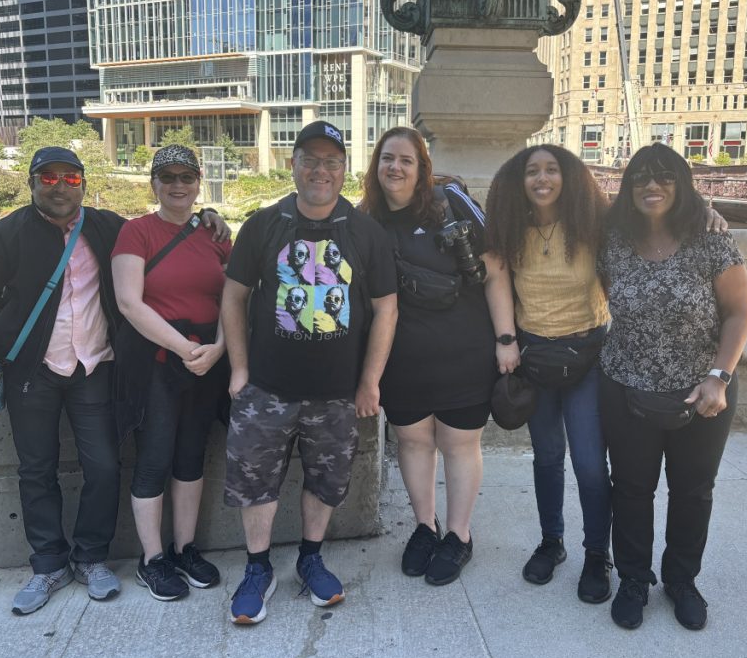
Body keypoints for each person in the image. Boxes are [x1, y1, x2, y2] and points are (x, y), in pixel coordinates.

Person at [0, 145, 229, 615]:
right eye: (49, 178)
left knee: (104, 467)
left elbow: (169, 221)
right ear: (32, 183)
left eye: (72, 179)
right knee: (36, 470)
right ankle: (47, 565)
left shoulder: (106, 227)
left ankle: (91, 558)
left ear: (84, 183)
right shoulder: (4, 235)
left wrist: (208, 215)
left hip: (95, 368)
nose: (60, 187)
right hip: (32, 373)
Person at [221, 120, 398, 624]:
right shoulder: (263, 224)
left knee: (327, 480)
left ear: (344, 170)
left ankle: (310, 558)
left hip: (337, 393)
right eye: (310, 160)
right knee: (255, 482)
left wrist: (369, 382)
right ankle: (258, 568)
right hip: (266, 389)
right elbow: (233, 296)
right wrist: (239, 369)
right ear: (292, 163)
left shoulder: (365, 232)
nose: (320, 170)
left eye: (331, 162)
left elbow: (386, 309)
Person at [597, 143, 747, 631]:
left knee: (692, 491)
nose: (651, 186)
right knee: (632, 490)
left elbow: (739, 311)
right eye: (641, 177)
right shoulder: (611, 240)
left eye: (665, 177)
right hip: (625, 385)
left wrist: (719, 377)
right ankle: (634, 580)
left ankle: (682, 581)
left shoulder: (711, 240)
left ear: (683, 185)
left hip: (703, 391)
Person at [358, 126, 519, 585]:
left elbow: (496, 270)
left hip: (463, 350)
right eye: (388, 158)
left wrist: (506, 338)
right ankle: (424, 527)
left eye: (407, 160)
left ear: (421, 167)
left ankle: (459, 534)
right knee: (411, 442)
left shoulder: (450, 204)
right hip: (402, 358)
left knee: (458, 444)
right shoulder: (366, 218)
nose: (396, 167)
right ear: (376, 166)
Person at [484, 144, 615, 604]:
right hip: (535, 357)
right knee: (546, 457)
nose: (542, 178)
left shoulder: (594, 224)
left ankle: (598, 553)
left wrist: (705, 214)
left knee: (588, 464)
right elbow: (496, 279)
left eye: (552, 169)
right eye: (532, 171)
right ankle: (552, 542)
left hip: (587, 355)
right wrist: (506, 340)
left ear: (569, 176)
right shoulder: (510, 228)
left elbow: (650, 222)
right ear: (519, 181)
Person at [111, 145, 231, 601]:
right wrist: (185, 348)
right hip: (158, 362)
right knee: (154, 459)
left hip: (206, 362)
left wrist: (218, 347)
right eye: (168, 177)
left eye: (187, 177)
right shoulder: (136, 232)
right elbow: (128, 302)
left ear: (199, 182)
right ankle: (152, 559)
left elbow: (232, 295)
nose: (178, 185)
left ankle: (185, 549)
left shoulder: (215, 233)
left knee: (191, 458)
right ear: (154, 184)